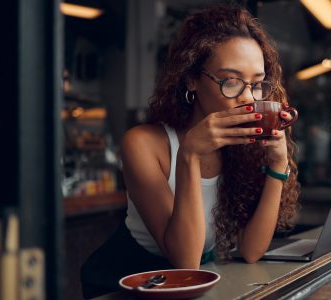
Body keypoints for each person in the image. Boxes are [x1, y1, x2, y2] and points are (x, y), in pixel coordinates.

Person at [80, 4, 300, 298]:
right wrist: (189, 156)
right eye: (232, 82)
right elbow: (185, 261)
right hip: (127, 284)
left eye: (258, 85)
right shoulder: (142, 143)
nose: (248, 98)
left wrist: (278, 162)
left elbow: (251, 251)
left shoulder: (242, 149)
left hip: (196, 288)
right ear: (191, 79)